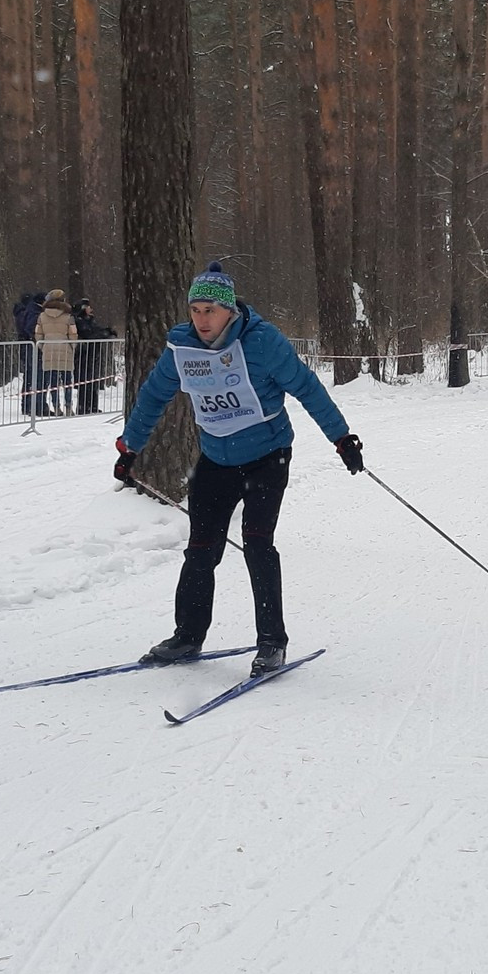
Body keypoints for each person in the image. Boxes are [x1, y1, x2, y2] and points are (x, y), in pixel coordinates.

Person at [111, 261, 363, 677]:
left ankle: (271, 643)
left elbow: (306, 387)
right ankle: (188, 635)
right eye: (195, 310)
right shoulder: (182, 349)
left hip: (268, 455)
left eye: (210, 309)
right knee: (200, 549)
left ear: (229, 309)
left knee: (257, 543)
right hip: (215, 459)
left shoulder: (262, 342)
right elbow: (154, 396)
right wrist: (129, 448)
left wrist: (341, 438)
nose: (202, 319)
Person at [34, 289, 78, 415]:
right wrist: (71, 347)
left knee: (53, 382)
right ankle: (69, 406)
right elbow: (73, 334)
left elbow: (38, 334)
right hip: (65, 350)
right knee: (67, 381)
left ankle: (56, 407)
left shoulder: (41, 316)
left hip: (48, 350)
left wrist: (43, 347)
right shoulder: (68, 317)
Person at [71, 298, 117, 414]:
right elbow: (89, 333)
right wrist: (103, 334)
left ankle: (92, 405)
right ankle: (83, 406)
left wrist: (107, 331)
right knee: (84, 381)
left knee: (93, 379)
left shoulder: (90, 320)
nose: (91, 309)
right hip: (83, 354)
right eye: (88, 307)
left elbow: (96, 330)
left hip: (93, 353)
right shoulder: (79, 320)